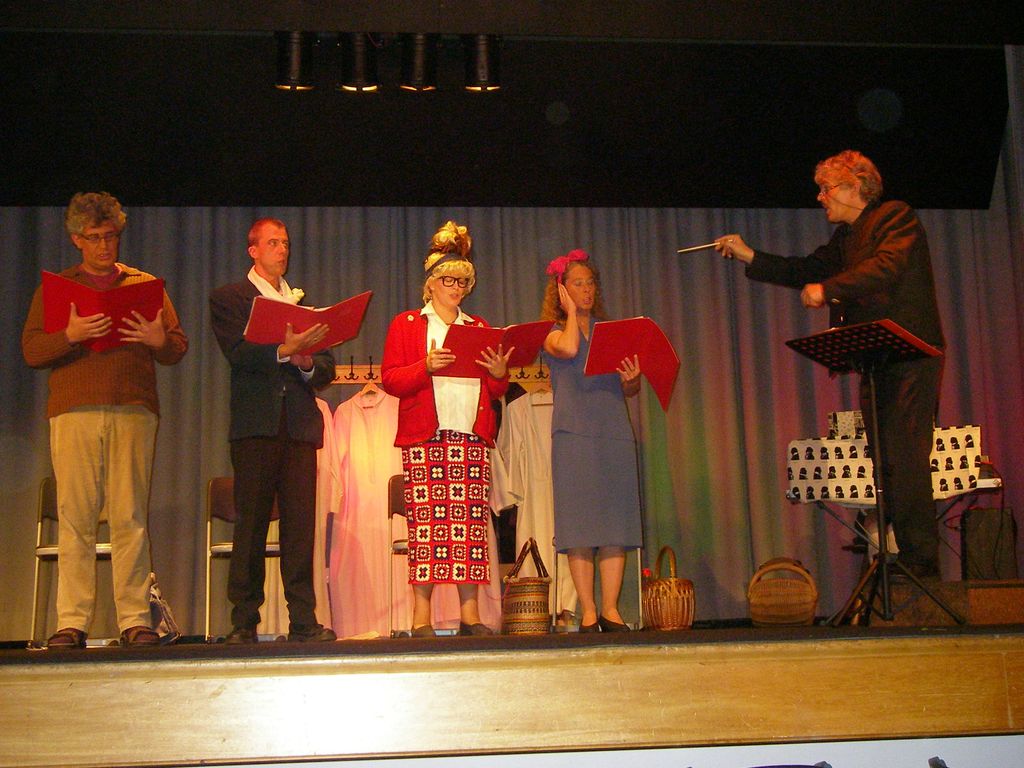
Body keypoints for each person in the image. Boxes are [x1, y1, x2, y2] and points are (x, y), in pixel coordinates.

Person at [714, 149, 945, 580]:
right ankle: (906, 557)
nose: (820, 197)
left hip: (911, 354)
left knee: (905, 456)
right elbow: (806, 268)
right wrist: (749, 256)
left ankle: (921, 563)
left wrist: (828, 289)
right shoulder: (846, 239)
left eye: (826, 188)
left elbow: (886, 267)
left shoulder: (895, 216)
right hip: (877, 357)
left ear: (856, 186)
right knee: (885, 459)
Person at [22, 191, 188, 649]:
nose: (104, 245)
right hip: (73, 410)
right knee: (75, 515)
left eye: (110, 236)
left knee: (129, 515)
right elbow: (32, 350)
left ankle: (134, 619)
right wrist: (70, 334)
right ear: (77, 239)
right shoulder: (58, 287)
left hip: (132, 407)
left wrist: (157, 339)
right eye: (94, 237)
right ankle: (72, 621)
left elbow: (176, 346)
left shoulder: (143, 283)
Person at [209, 218, 337, 643]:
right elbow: (238, 353)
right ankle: (244, 621)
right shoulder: (230, 298)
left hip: (298, 427)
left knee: (300, 527)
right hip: (256, 427)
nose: (282, 250)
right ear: (253, 250)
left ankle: (303, 620)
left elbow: (326, 368)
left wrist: (306, 361)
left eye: (285, 243)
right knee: (251, 524)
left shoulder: (304, 305)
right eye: (272, 243)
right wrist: (284, 350)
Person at [381, 221, 511, 637]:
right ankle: (421, 617)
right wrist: (425, 366)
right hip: (425, 436)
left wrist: (499, 373)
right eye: (449, 280)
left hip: (470, 435)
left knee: (468, 527)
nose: (456, 288)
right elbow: (390, 379)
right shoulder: (407, 324)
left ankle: (470, 616)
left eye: (462, 281)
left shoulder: (478, 326)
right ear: (431, 283)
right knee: (428, 529)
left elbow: (495, 389)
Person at [541, 249, 643, 632]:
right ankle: (587, 612)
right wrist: (570, 314)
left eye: (590, 283)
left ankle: (611, 610)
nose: (586, 289)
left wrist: (632, 379)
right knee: (580, 525)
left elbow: (629, 389)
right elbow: (569, 349)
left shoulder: (610, 332)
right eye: (577, 284)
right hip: (573, 436)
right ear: (561, 290)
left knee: (615, 522)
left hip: (613, 431)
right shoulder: (552, 333)